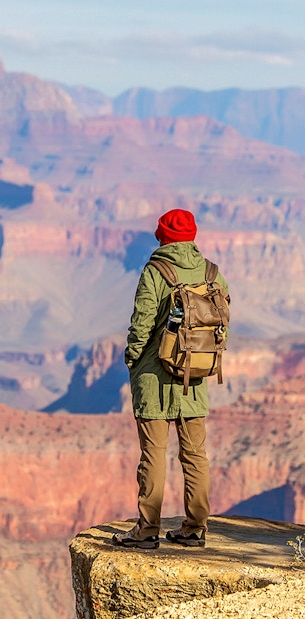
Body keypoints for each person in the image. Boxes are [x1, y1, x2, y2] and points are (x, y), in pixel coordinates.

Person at [112, 209, 229, 549]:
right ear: (192, 236)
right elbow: (222, 322)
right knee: (195, 454)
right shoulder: (212, 273)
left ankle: (147, 530)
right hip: (195, 374)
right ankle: (195, 528)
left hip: (154, 377)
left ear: (162, 236)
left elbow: (142, 322)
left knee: (153, 454)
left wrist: (133, 359)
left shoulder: (156, 271)